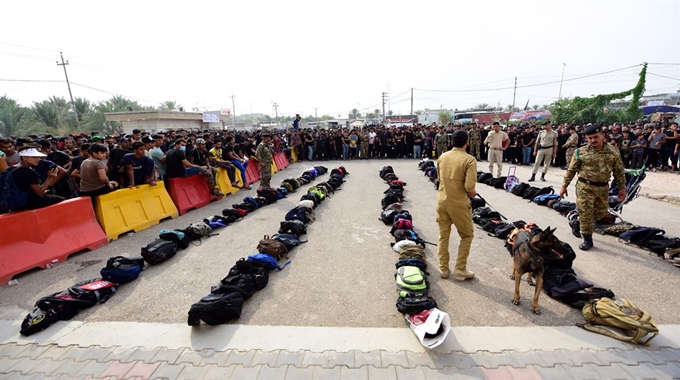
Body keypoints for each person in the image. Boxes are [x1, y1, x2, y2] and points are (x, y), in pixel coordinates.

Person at [560, 125, 626, 251]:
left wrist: (622, 188)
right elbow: (571, 170)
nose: (593, 140)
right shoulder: (580, 152)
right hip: (585, 186)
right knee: (586, 213)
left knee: (601, 212)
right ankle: (587, 239)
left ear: (603, 136)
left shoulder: (613, 151)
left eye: (595, 137)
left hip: (603, 187)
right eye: (589, 138)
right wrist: (564, 186)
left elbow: (618, 171)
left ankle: (576, 222)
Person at [436, 130, 476, 280]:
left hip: (442, 201)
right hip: (458, 204)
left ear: (451, 142)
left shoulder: (442, 157)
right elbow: (469, 188)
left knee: (443, 236)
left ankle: (443, 269)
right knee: (467, 235)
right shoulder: (469, 160)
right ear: (467, 142)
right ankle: (460, 268)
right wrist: (473, 192)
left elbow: (439, 179)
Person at [9, 146, 65, 211]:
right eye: (34, 157)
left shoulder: (9, 169)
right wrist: (50, 178)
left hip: (12, 201)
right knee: (61, 200)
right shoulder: (29, 172)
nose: (38, 159)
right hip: (28, 202)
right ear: (24, 158)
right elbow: (39, 192)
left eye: (38, 157)